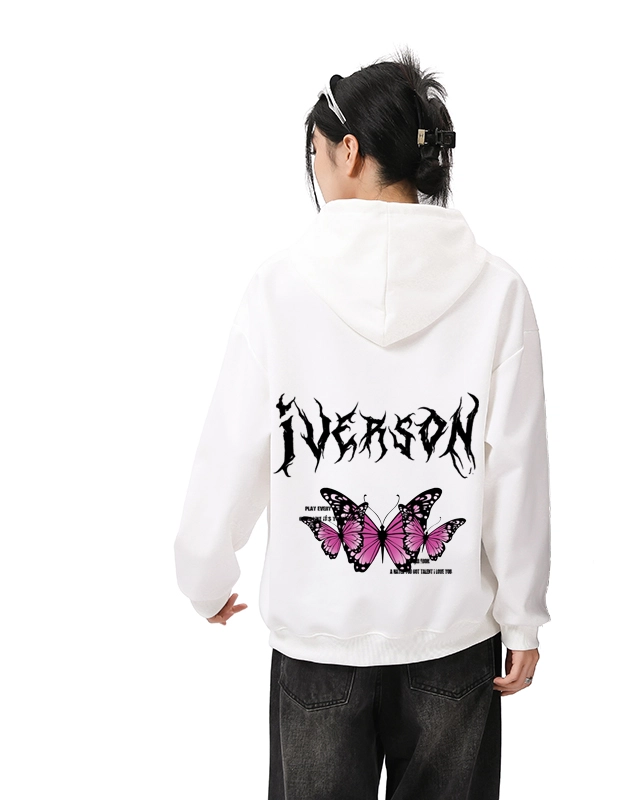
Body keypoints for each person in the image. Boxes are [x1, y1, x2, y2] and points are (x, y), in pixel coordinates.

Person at [173, 46, 552, 800]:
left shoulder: (279, 289)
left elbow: (234, 449)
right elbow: (515, 468)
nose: (315, 169)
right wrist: (521, 617)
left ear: (350, 152)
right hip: (451, 633)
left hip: (320, 637)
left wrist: (205, 574)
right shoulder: (497, 290)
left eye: (315, 152)